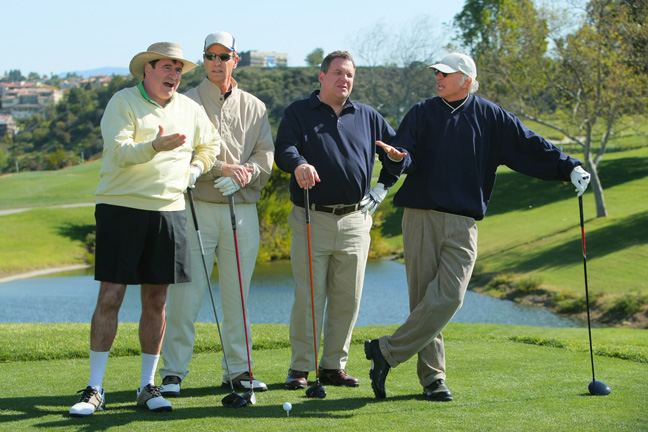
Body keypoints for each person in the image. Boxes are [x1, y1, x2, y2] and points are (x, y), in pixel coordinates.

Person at [364, 52, 591, 401]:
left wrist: (569, 167)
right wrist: (396, 161)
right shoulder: (423, 112)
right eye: (436, 73)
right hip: (420, 215)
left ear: (466, 80)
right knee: (424, 299)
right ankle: (433, 379)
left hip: (464, 221)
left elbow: (530, 145)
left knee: (449, 297)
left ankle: (386, 351)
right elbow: (403, 152)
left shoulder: (491, 116)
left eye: (446, 73)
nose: (438, 77)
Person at [68, 42, 221, 416]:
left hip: (169, 213)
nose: (174, 75)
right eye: (167, 67)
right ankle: (95, 388)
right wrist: (154, 145)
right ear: (147, 70)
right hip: (121, 208)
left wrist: (195, 170)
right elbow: (118, 152)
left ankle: (147, 386)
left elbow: (211, 144)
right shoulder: (122, 102)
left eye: (179, 70)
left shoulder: (189, 108)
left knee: (157, 301)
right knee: (111, 296)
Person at [275, 50, 399, 390]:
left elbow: (398, 155)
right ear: (322, 76)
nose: (345, 80)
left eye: (350, 75)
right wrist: (299, 162)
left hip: (356, 220)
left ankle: (333, 366)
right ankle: (300, 367)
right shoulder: (299, 112)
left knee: (348, 298)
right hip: (311, 217)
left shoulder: (368, 116)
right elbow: (284, 148)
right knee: (309, 297)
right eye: (339, 73)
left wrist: (382, 187)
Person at [159, 31, 274, 396]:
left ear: (235, 60)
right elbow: (181, 156)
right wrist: (220, 169)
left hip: (242, 211)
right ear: (204, 59)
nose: (216, 62)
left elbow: (264, 156)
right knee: (185, 296)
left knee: (237, 297)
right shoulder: (186, 101)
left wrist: (247, 173)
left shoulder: (255, 106)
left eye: (224, 56)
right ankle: (173, 372)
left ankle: (238, 371)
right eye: (210, 55)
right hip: (198, 209)